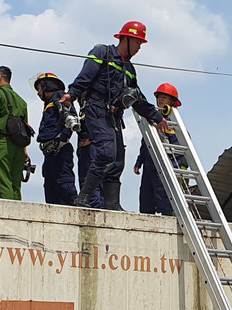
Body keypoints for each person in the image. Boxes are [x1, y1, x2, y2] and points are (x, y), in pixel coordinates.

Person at [61, 21, 165, 211]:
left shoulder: (130, 69)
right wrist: (72, 94)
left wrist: (157, 117)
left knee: (117, 159)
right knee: (106, 151)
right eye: (137, 43)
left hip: (114, 115)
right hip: (96, 110)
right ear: (125, 38)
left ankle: (112, 204)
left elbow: (137, 98)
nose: (139, 48)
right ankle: (84, 197)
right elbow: (86, 76)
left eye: (141, 45)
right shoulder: (103, 53)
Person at [133, 83, 183, 215]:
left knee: (164, 197)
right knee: (146, 198)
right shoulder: (151, 120)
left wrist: (170, 166)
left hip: (163, 166)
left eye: (164, 98)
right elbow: (146, 143)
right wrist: (139, 162)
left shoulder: (173, 125)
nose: (160, 100)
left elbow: (178, 150)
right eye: (159, 97)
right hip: (149, 165)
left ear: (171, 102)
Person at [0, 65, 30, 200]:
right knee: (15, 185)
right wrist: (24, 150)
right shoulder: (22, 101)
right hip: (19, 146)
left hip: (2, 143)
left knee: (2, 182)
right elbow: (25, 127)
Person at [33, 72, 79, 205]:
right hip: (50, 152)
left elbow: (70, 118)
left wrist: (62, 138)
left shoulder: (59, 98)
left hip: (59, 150)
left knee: (65, 184)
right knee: (51, 189)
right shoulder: (48, 104)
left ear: (46, 86)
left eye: (39, 89)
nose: (38, 93)